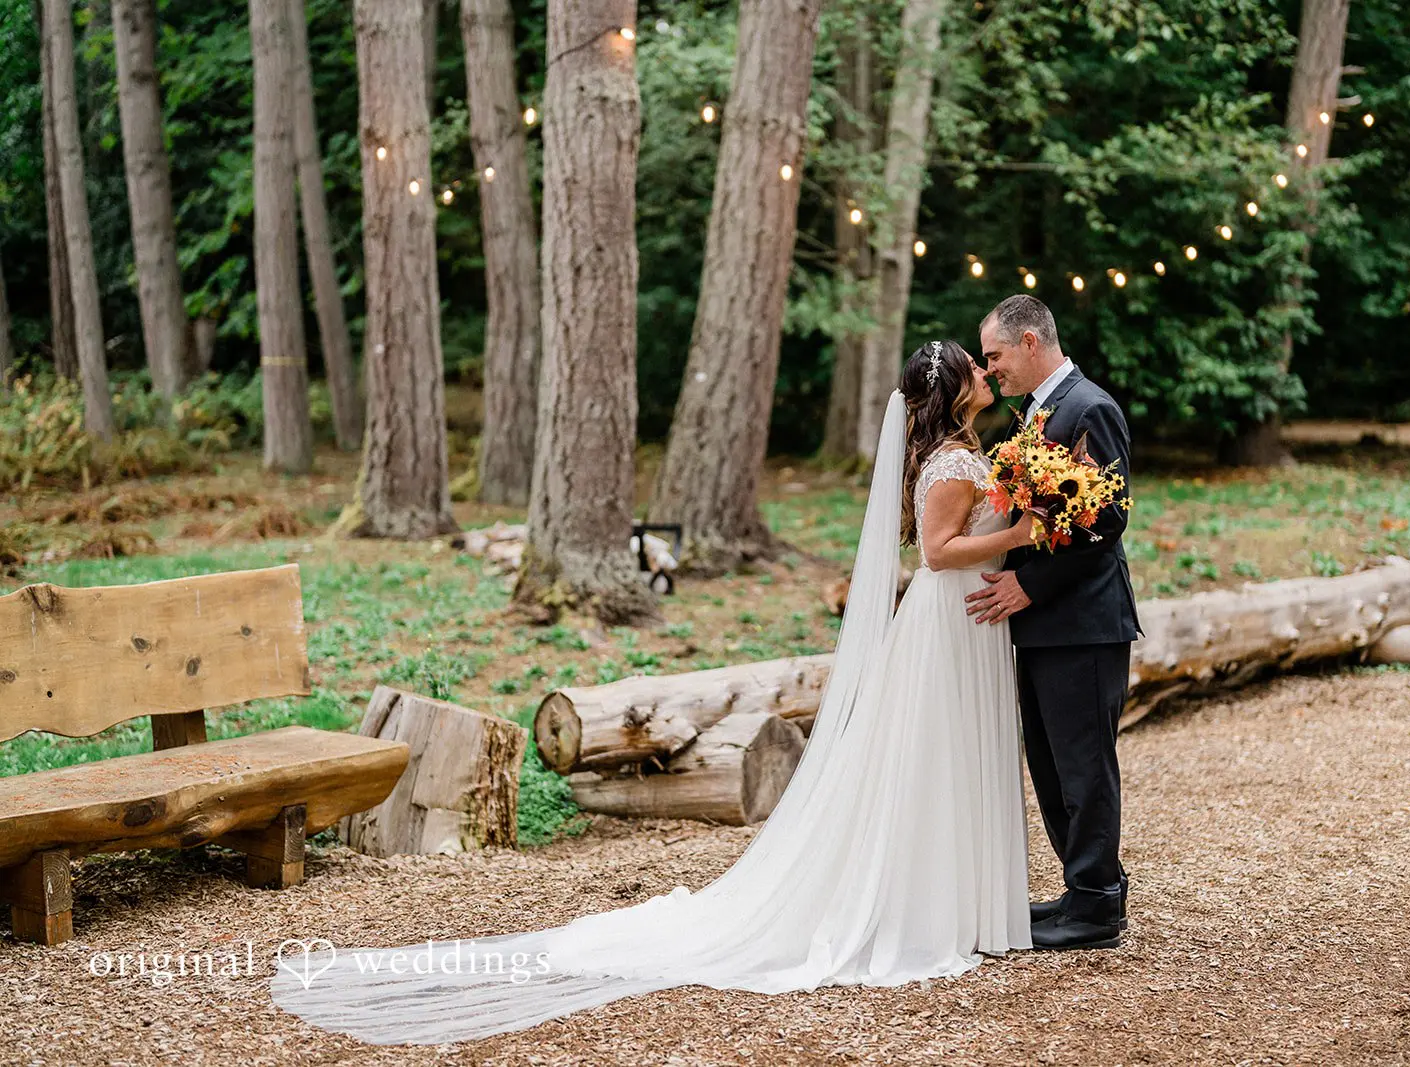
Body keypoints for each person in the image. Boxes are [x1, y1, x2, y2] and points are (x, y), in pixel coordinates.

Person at [270, 340, 1037, 1045]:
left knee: (946, 760)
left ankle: (953, 898)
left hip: (967, 624)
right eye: (976, 365)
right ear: (951, 389)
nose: (984, 371)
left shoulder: (964, 452)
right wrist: (1020, 533)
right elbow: (938, 553)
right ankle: (921, 905)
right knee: (929, 759)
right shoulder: (944, 463)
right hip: (946, 621)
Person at [965, 294, 1142, 951]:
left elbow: (1106, 518)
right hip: (1045, 626)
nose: (991, 369)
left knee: (1083, 765)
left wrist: (1029, 583)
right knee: (1049, 764)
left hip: (1084, 624)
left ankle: (1097, 906)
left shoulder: (1089, 407)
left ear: (1033, 340)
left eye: (997, 355)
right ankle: (1083, 886)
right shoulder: (1036, 412)